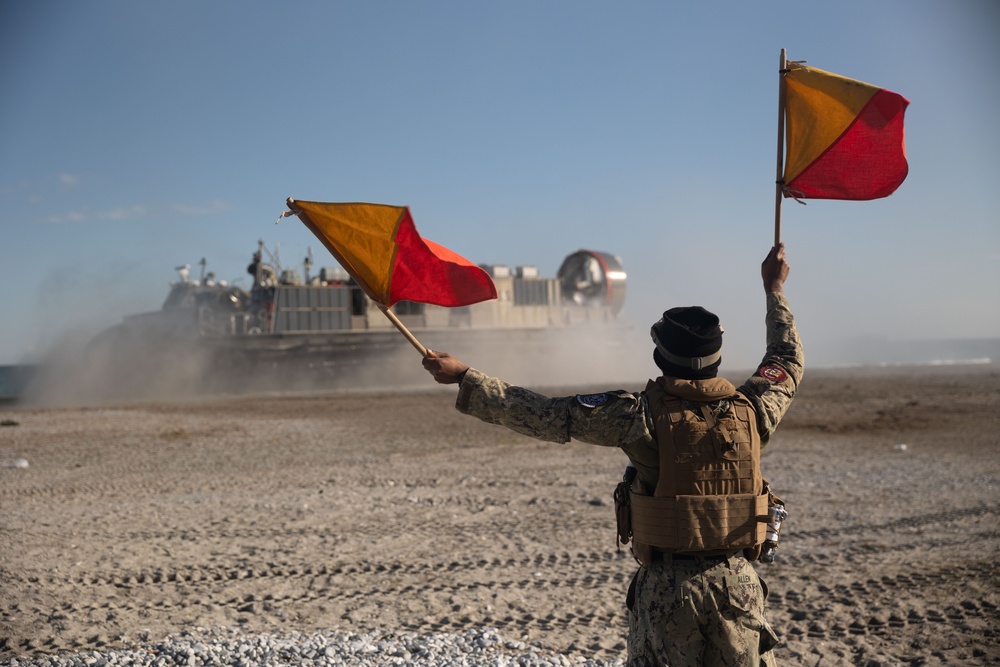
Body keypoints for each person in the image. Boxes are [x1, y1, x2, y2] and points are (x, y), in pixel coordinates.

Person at [422, 244, 803, 666]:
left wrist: (466, 378)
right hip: (740, 586)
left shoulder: (638, 414)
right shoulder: (755, 409)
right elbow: (786, 359)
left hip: (670, 591)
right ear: (717, 356)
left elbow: (545, 416)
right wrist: (774, 288)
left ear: (661, 356)